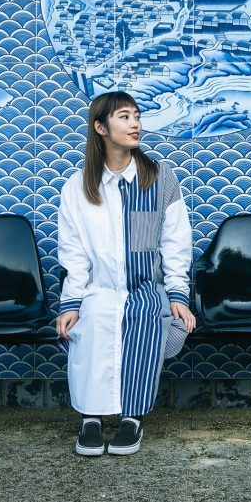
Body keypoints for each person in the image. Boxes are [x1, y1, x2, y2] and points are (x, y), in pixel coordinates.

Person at [55, 91, 196, 456]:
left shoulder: (160, 179)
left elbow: (175, 243)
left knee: (146, 319)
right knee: (95, 319)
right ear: (100, 127)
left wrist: (178, 294)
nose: (135, 124)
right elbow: (74, 252)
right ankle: (91, 417)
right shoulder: (77, 187)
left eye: (136, 116)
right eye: (124, 117)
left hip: (146, 288)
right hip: (97, 289)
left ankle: (133, 417)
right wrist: (71, 301)